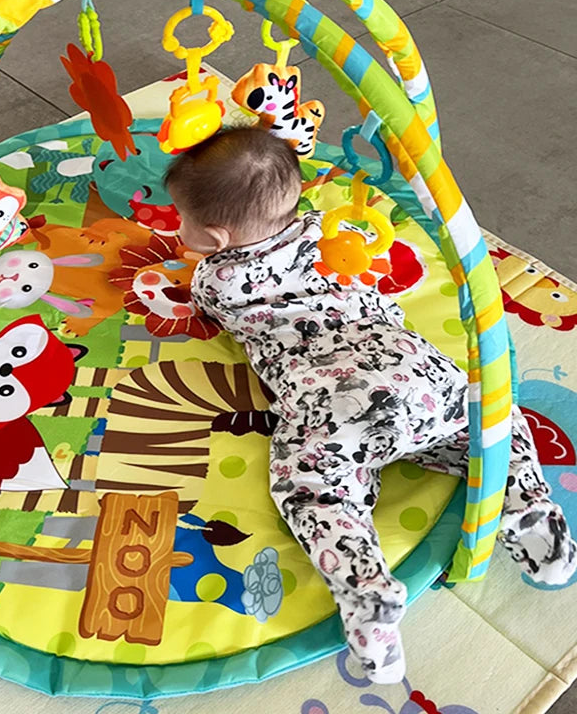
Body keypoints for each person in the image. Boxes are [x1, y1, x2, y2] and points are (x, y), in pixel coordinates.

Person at [164, 126, 577, 684]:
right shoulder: (325, 234)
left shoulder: (217, 280)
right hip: (414, 371)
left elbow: (209, 299)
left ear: (216, 237)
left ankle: (365, 589)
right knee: (495, 426)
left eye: (182, 219)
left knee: (316, 488)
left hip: (333, 398)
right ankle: (529, 511)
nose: (178, 227)